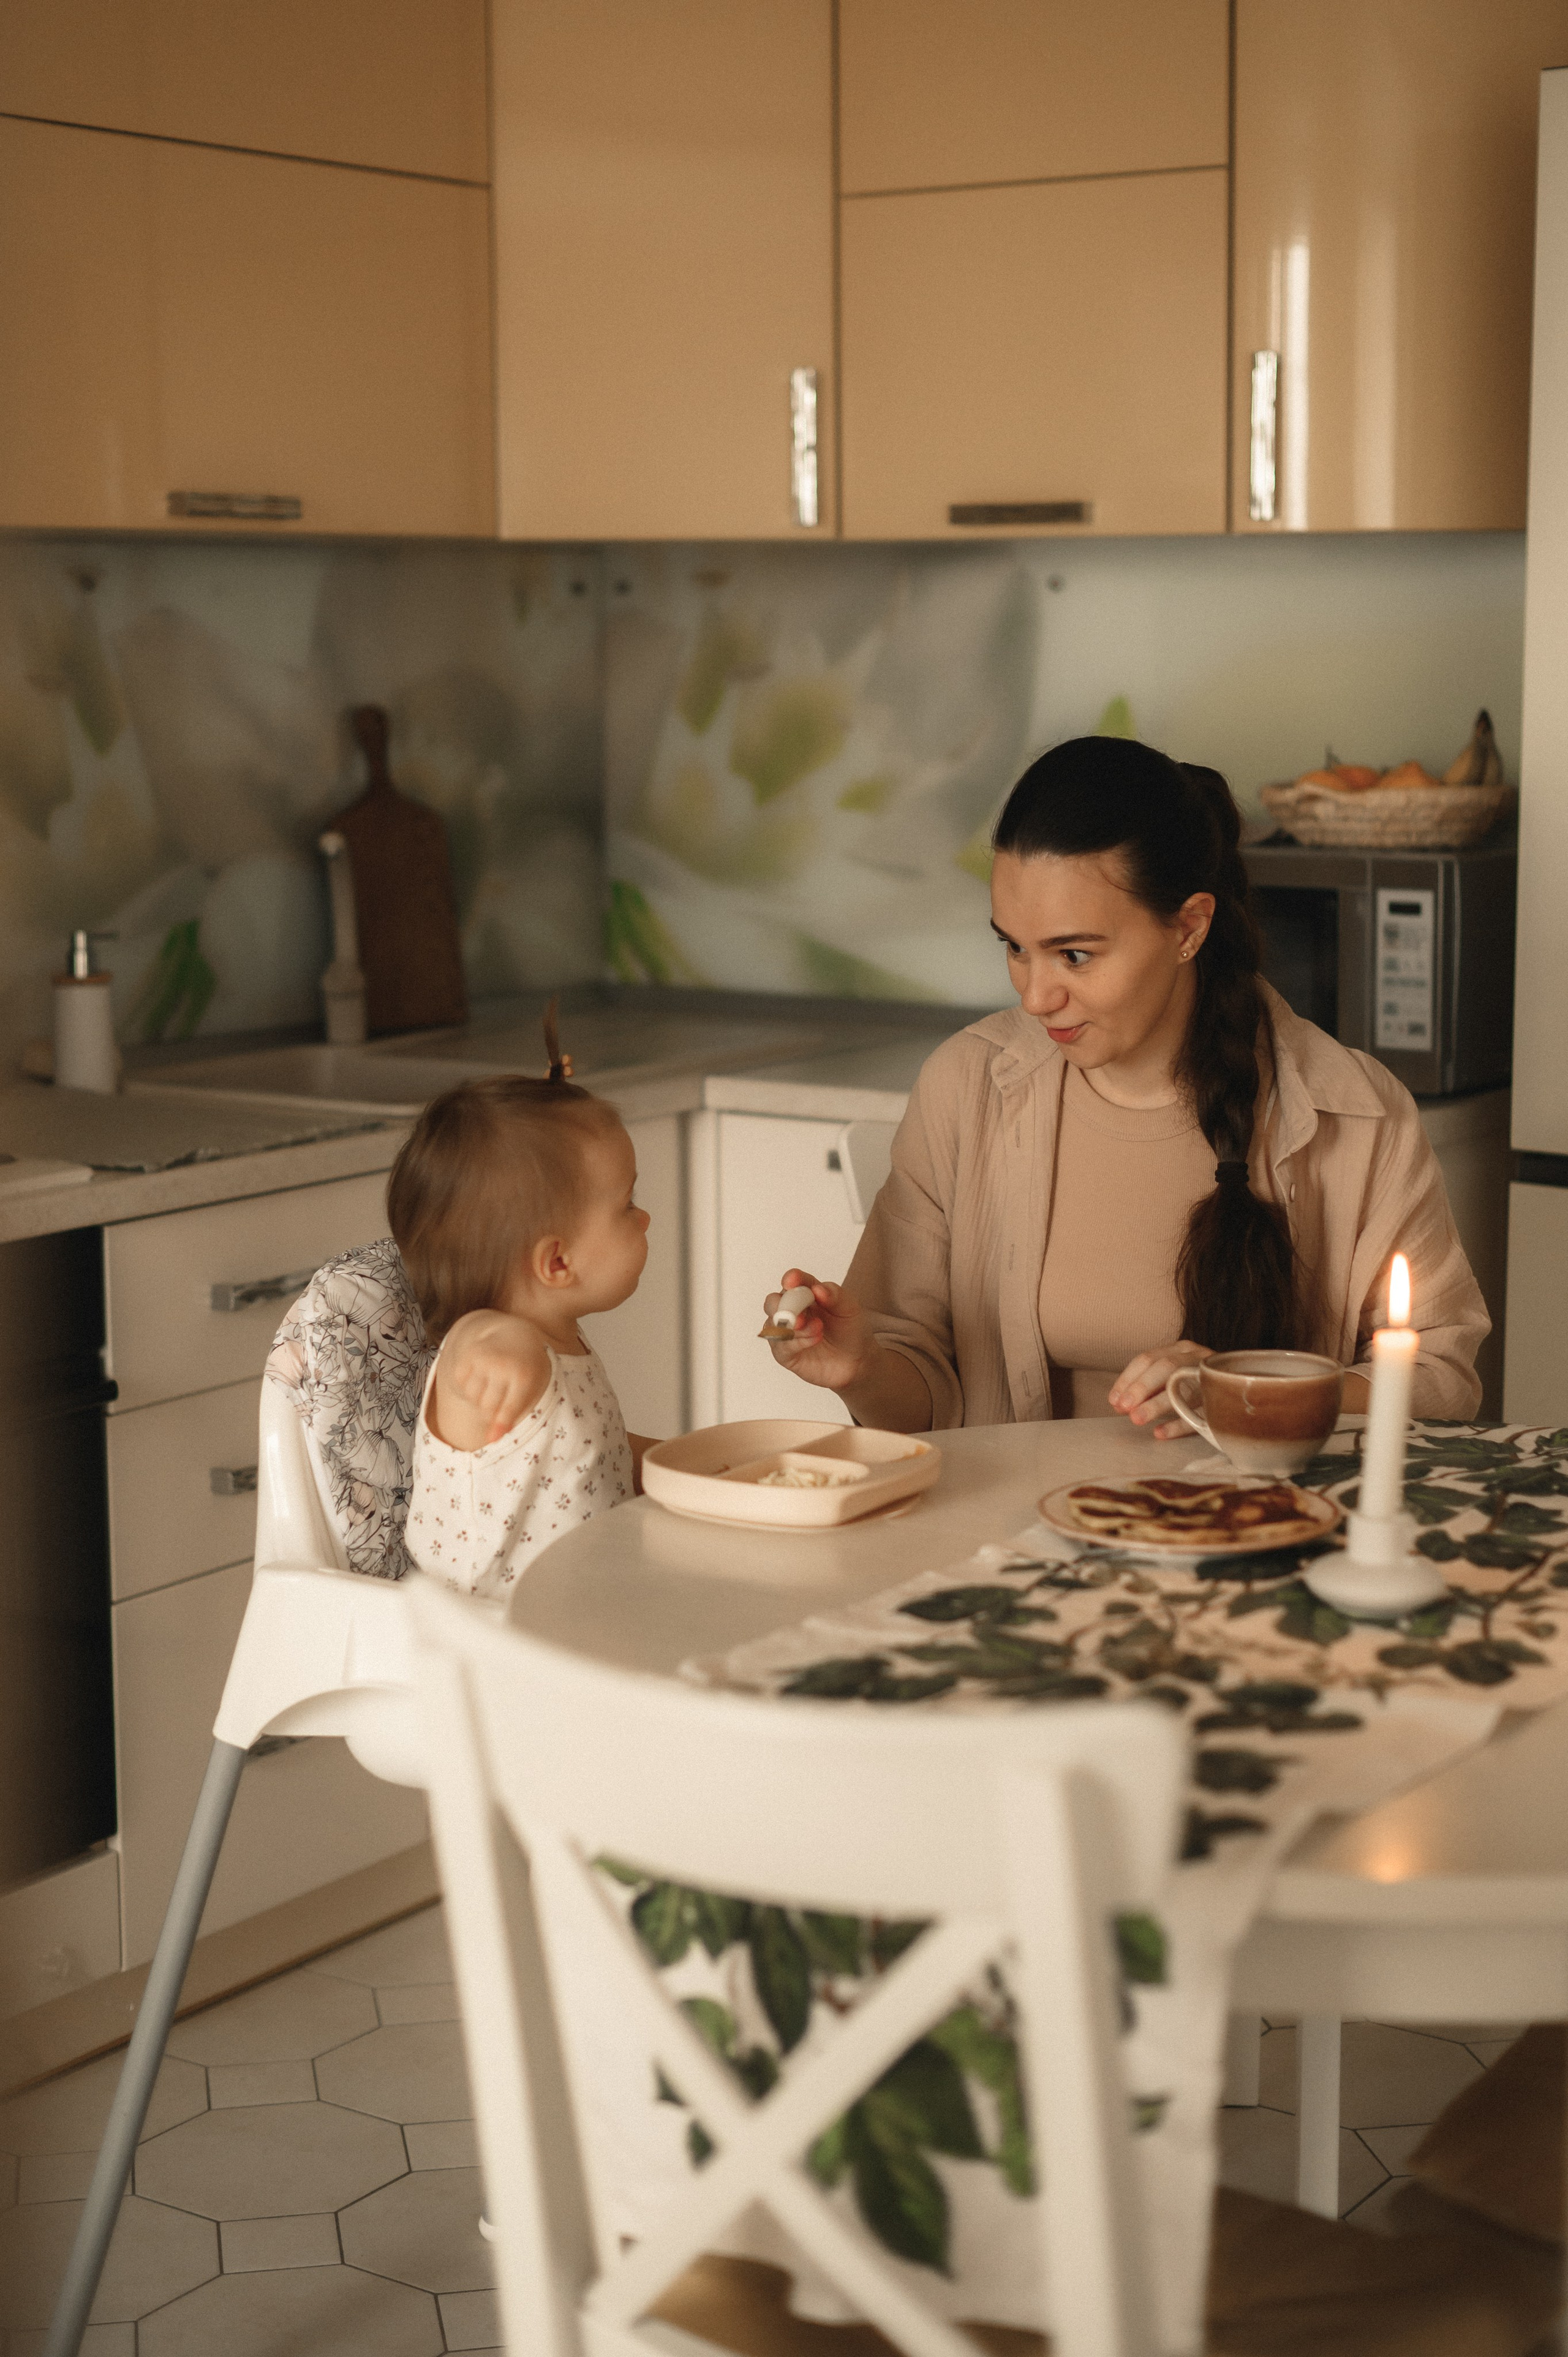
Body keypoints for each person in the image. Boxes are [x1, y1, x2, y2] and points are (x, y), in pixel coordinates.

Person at [765, 735, 1487, 1436]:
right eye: (1014, 948)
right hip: (1017, 1543)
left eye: (1073, 955)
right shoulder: (967, 1088)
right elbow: (925, 1404)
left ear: (1189, 928)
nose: (1035, 996)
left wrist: (1259, 1391)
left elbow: (1444, 1380)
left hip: (1260, 1536)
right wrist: (860, 1369)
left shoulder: (1355, 1114)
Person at [388, 1023, 653, 1597]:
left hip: (577, 1628)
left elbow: (588, 1450)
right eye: (627, 1204)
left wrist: (675, 1463)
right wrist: (495, 1347)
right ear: (557, 1262)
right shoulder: (493, 1344)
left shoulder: (564, 1343)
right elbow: (470, 1348)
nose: (645, 1217)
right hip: (491, 1655)